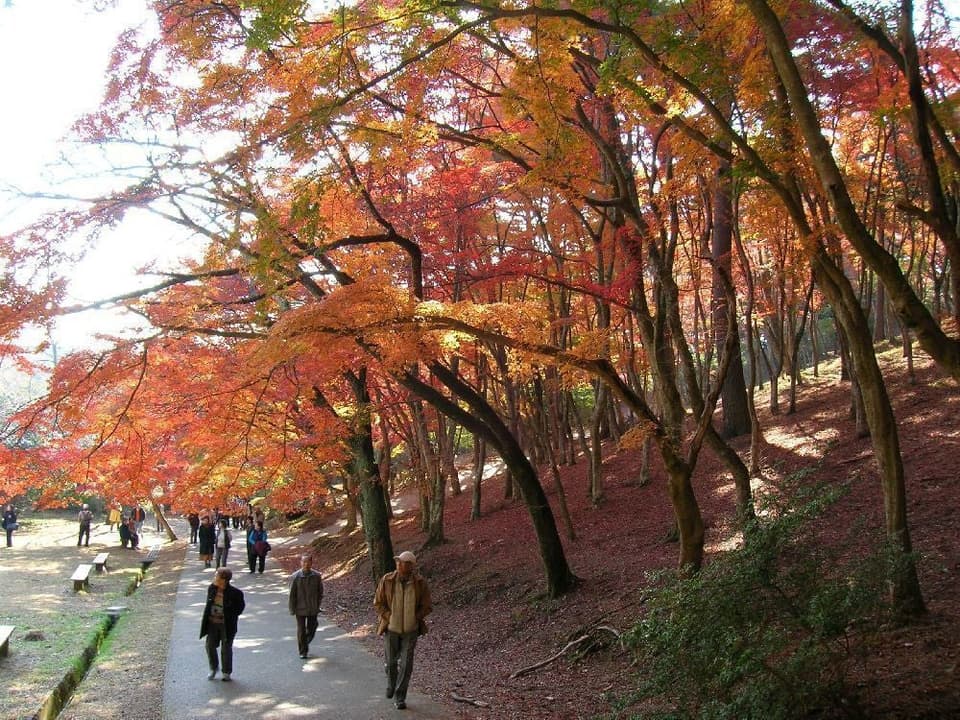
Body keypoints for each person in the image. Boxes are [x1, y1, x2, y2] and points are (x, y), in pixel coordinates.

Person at [373, 550, 432, 710]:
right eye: (398, 561)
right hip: (391, 629)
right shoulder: (387, 580)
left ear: (411, 566)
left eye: (403, 562)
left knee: (406, 665)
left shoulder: (420, 583)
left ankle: (400, 697)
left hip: (410, 631)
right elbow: (378, 602)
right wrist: (389, 616)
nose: (398, 564)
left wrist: (416, 617)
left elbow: (427, 605)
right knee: (391, 663)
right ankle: (391, 684)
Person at [199, 566, 245, 682]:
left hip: (227, 625)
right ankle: (213, 668)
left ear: (223, 579)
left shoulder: (236, 593)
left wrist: (228, 614)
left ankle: (226, 672)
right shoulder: (212, 588)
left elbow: (240, 608)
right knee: (209, 646)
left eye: (216, 576)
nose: (214, 578)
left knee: (226, 648)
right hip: (212, 623)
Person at [288, 554, 324, 659]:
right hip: (300, 608)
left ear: (311, 563)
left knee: (312, 627)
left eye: (308, 562)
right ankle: (303, 651)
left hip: (312, 607)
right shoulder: (295, 577)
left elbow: (320, 592)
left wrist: (317, 604)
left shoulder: (316, 576)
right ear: (301, 563)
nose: (306, 564)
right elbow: (292, 595)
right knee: (301, 629)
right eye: (304, 562)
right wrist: (292, 608)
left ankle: (305, 642)